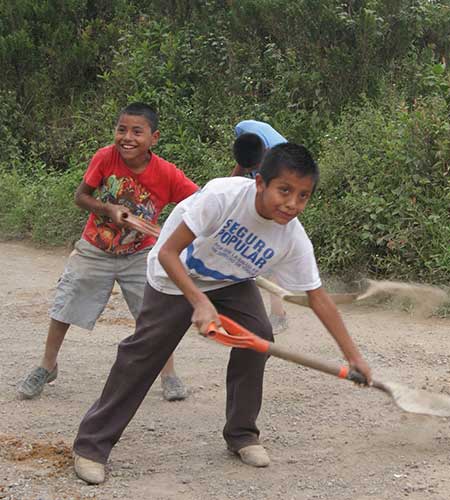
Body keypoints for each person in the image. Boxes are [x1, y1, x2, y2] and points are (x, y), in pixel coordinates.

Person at [72, 142, 372, 484]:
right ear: (260, 183)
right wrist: (199, 301)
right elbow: (169, 253)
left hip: (230, 280)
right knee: (144, 354)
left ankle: (242, 434)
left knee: (258, 338)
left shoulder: (292, 238)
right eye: (284, 190)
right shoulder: (222, 196)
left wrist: (354, 357)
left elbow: (320, 300)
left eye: (303, 196)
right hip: (174, 273)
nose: (292, 203)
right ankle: (91, 446)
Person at [17, 102, 198, 402]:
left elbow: (198, 203)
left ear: (154, 138)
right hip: (96, 248)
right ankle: (47, 365)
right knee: (66, 302)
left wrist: (173, 233)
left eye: (137, 132)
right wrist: (108, 208)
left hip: (141, 254)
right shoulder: (105, 157)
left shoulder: (167, 174)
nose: (127, 137)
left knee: (154, 315)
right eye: (121, 129)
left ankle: (168, 374)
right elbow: (81, 197)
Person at [230, 119, 289, 333]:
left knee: (269, 255)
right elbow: (242, 161)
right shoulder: (243, 130)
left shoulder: (278, 168)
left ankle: (279, 314)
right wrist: (228, 185)